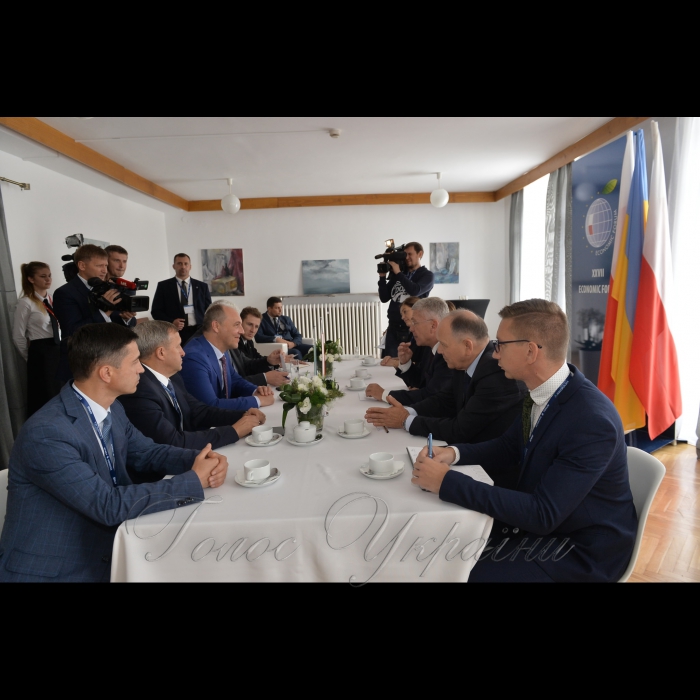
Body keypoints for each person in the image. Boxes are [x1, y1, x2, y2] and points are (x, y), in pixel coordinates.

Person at [413, 299, 638, 583]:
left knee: (455, 573)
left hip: (579, 550)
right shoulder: (541, 392)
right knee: (435, 542)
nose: (495, 353)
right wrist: (453, 453)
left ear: (531, 351)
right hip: (544, 528)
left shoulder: (591, 421)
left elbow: (543, 514)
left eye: (501, 344)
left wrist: (447, 482)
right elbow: (508, 447)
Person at [0, 323, 228, 583]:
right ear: (106, 373)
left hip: (110, 547)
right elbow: (106, 505)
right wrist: (193, 480)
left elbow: (148, 452)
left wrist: (198, 459)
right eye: (135, 362)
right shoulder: (46, 434)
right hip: (55, 569)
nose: (142, 369)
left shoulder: (113, 409)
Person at [365, 311, 527, 453]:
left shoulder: (496, 374)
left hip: (487, 464)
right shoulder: (464, 361)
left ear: (467, 346)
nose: (440, 351)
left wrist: (404, 420)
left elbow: (459, 430)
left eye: (443, 344)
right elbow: (444, 400)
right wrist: (407, 411)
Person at [118, 321, 267, 464]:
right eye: (178, 346)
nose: (183, 352)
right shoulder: (140, 390)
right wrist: (234, 431)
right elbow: (173, 441)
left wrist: (242, 415)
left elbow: (198, 411)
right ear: (161, 353)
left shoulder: (173, 377)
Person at [180, 302, 275, 412]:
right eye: (236, 325)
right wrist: (257, 400)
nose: (242, 331)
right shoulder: (194, 358)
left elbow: (234, 380)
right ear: (216, 326)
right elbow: (210, 406)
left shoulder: (222, 349)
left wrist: (255, 390)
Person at [53, 244, 123, 382]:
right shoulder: (64, 293)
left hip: (109, 357)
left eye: (106, 265)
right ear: (82, 265)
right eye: (99, 266)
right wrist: (104, 312)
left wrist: (126, 318)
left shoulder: (107, 289)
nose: (104, 270)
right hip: (81, 363)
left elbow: (116, 320)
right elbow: (72, 330)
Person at [366, 298, 454, 407]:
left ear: (433, 325)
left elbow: (430, 396)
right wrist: (406, 363)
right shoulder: (429, 348)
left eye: (415, 323)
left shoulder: (448, 354)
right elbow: (421, 382)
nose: (411, 329)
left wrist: (385, 394)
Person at [12, 262, 61, 415]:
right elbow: (18, 335)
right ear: (31, 279)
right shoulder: (26, 302)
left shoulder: (52, 300)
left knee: (60, 389)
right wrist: (30, 357)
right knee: (45, 394)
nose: (48, 279)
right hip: (40, 352)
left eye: (49, 276)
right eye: (43, 276)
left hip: (57, 349)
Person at [378, 242, 434, 359]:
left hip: (412, 329)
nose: (406, 258)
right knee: (389, 362)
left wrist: (398, 273)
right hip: (393, 327)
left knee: (409, 362)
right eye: (405, 255)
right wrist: (382, 277)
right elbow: (384, 298)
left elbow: (415, 290)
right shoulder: (399, 274)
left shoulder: (427, 275)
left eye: (410, 254)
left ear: (420, 254)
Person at [151, 254, 212, 345]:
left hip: (199, 331)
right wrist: (171, 322)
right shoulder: (163, 286)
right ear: (174, 266)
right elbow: (155, 311)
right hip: (175, 332)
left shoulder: (202, 286)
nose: (183, 266)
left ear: (190, 266)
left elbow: (209, 310)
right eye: (179, 263)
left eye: (186, 264)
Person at [230, 307, 291, 387]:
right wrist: (266, 376)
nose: (253, 330)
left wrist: (271, 360)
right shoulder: (235, 343)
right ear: (240, 323)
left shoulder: (249, 341)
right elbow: (248, 367)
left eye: (256, 326)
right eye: (250, 324)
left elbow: (256, 358)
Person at [105, 245, 143, 328]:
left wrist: (127, 318)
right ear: (106, 261)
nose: (121, 266)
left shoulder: (128, 286)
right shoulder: (96, 286)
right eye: (116, 261)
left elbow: (132, 322)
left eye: (124, 261)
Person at [380, 297, 420, 368]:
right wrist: (392, 359)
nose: (402, 317)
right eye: (401, 314)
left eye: (405, 312)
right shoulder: (413, 334)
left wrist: (395, 363)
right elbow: (412, 358)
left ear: (417, 309)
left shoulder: (424, 335)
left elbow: (422, 364)